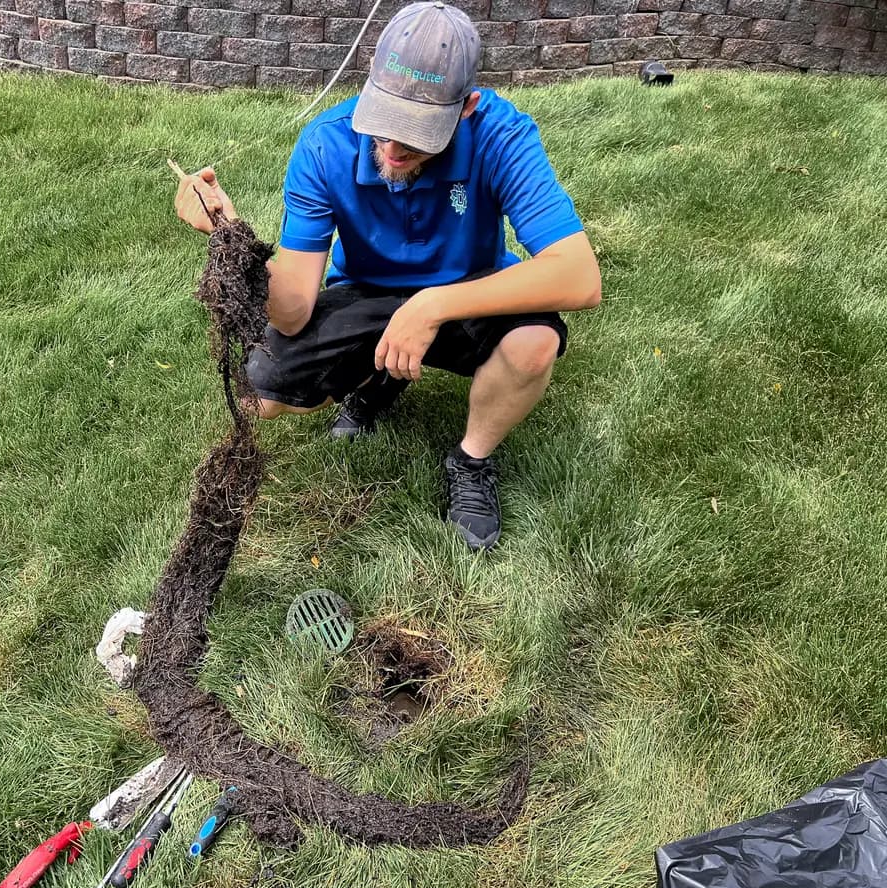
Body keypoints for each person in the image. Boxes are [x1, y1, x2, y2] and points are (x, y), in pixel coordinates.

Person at [173, 0, 601, 552]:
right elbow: (295, 308)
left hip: (467, 286)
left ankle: (471, 460)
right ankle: (376, 384)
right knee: (265, 391)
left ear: (466, 106)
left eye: (417, 132)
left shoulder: (501, 134)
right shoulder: (326, 144)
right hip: (367, 292)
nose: (392, 149)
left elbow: (580, 277)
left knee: (535, 342)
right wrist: (233, 237)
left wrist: (432, 307)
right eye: (384, 121)